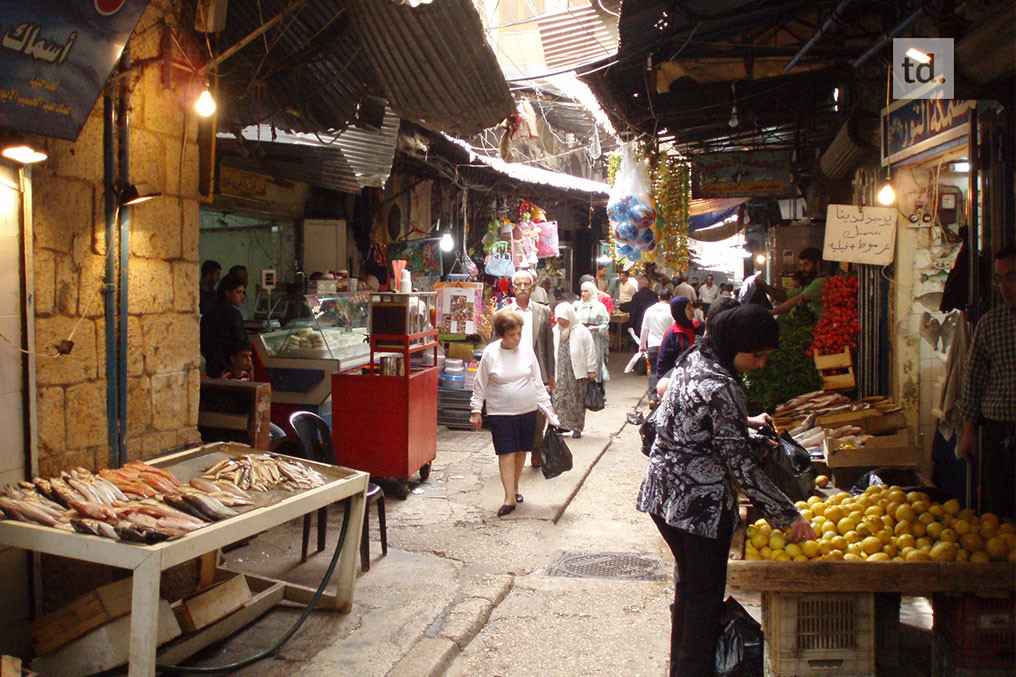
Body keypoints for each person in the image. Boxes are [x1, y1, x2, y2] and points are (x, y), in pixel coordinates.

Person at [637, 304, 815, 675]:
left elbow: (696, 426)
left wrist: (744, 429)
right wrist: (788, 516)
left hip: (662, 496)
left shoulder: (695, 360)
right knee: (704, 599)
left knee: (690, 590)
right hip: (697, 507)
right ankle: (692, 669)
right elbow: (741, 467)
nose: (762, 364)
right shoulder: (722, 384)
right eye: (759, 355)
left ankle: (681, 668)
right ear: (738, 345)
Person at [470, 310, 558, 517]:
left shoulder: (526, 351)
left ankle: (515, 487)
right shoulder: (491, 354)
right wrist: (475, 410)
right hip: (500, 412)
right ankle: (509, 497)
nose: (516, 338)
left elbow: (537, 382)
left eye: (519, 333)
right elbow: (480, 383)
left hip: (527, 410)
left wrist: (548, 407)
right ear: (501, 334)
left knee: (520, 451)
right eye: (512, 335)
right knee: (506, 451)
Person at [957, 245, 1016, 519]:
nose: (1004, 287)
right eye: (999, 279)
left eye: (1012, 278)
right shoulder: (990, 324)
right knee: (997, 509)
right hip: (996, 431)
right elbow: (974, 381)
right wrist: (968, 433)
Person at [506, 269, 555, 468]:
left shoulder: (542, 312)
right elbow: (495, 343)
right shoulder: (505, 313)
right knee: (514, 416)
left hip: (538, 371)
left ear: (533, 286)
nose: (523, 288)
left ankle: (536, 447)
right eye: (519, 284)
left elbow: (548, 345)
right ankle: (516, 452)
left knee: (537, 418)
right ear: (513, 288)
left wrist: (551, 375)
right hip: (511, 372)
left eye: (527, 284)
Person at [551, 303, 598, 438]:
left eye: (564, 321)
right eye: (559, 320)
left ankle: (576, 427)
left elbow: (590, 351)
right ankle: (561, 426)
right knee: (559, 398)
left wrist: (592, 369)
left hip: (576, 372)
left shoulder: (581, 331)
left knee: (576, 400)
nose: (562, 323)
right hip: (560, 370)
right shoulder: (555, 331)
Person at [200, 274, 248, 378]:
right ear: (227, 293)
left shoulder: (208, 314)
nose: (242, 296)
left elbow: (203, 343)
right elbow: (240, 342)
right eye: (238, 292)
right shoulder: (234, 315)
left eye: (243, 292)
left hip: (212, 368)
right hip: (231, 370)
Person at [767, 247, 826, 316]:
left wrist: (771, 312)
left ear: (817, 264)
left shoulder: (821, 282)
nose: (802, 269)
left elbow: (796, 300)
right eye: (801, 265)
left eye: (806, 265)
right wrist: (765, 286)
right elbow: (785, 296)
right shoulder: (809, 284)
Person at [640, 289, 674, 406]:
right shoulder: (671, 310)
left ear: (659, 297)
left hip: (653, 345)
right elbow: (674, 329)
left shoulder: (650, 310)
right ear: (670, 297)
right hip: (667, 346)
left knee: (653, 371)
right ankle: (664, 397)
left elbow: (645, 329)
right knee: (667, 371)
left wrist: (642, 346)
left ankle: (653, 397)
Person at [575, 281, 611, 382]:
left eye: (586, 291)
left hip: (595, 339)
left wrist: (596, 328)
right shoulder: (579, 306)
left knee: (595, 363)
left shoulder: (599, 307)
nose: (583, 294)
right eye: (582, 291)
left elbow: (605, 324)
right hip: (580, 340)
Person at [655, 296, 698, 377]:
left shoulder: (699, 328)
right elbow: (663, 365)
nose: (693, 309)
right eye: (688, 308)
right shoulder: (673, 335)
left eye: (691, 306)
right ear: (680, 312)